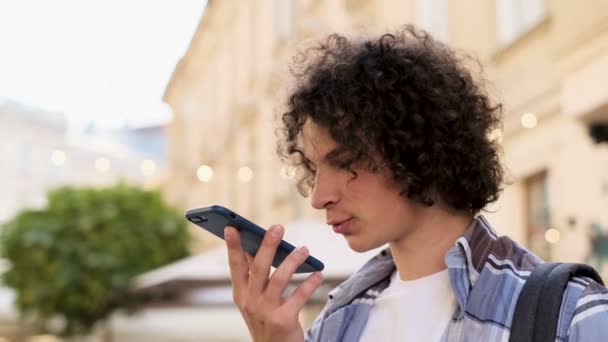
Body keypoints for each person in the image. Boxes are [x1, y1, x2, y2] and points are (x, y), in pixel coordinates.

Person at [223, 25, 608, 341]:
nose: (319, 196)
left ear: (415, 148)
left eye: (345, 161)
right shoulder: (338, 321)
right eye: (314, 167)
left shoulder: (570, 314)